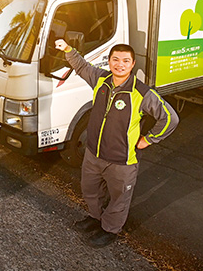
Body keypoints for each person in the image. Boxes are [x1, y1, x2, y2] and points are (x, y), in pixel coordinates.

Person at [55, 38, 179, 248]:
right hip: (93, 154)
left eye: (125, 61)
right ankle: (95, 218)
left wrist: (149, 139)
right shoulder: (101, 79)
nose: (120, 64)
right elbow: (81, 66)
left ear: (132, 64)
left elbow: (170, 118)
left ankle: (110, 229)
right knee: (90, 191)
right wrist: (68, 49)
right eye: (115, 59)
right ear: (109, 61)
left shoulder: (142, 93)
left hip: (122, 161)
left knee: (119, 198)